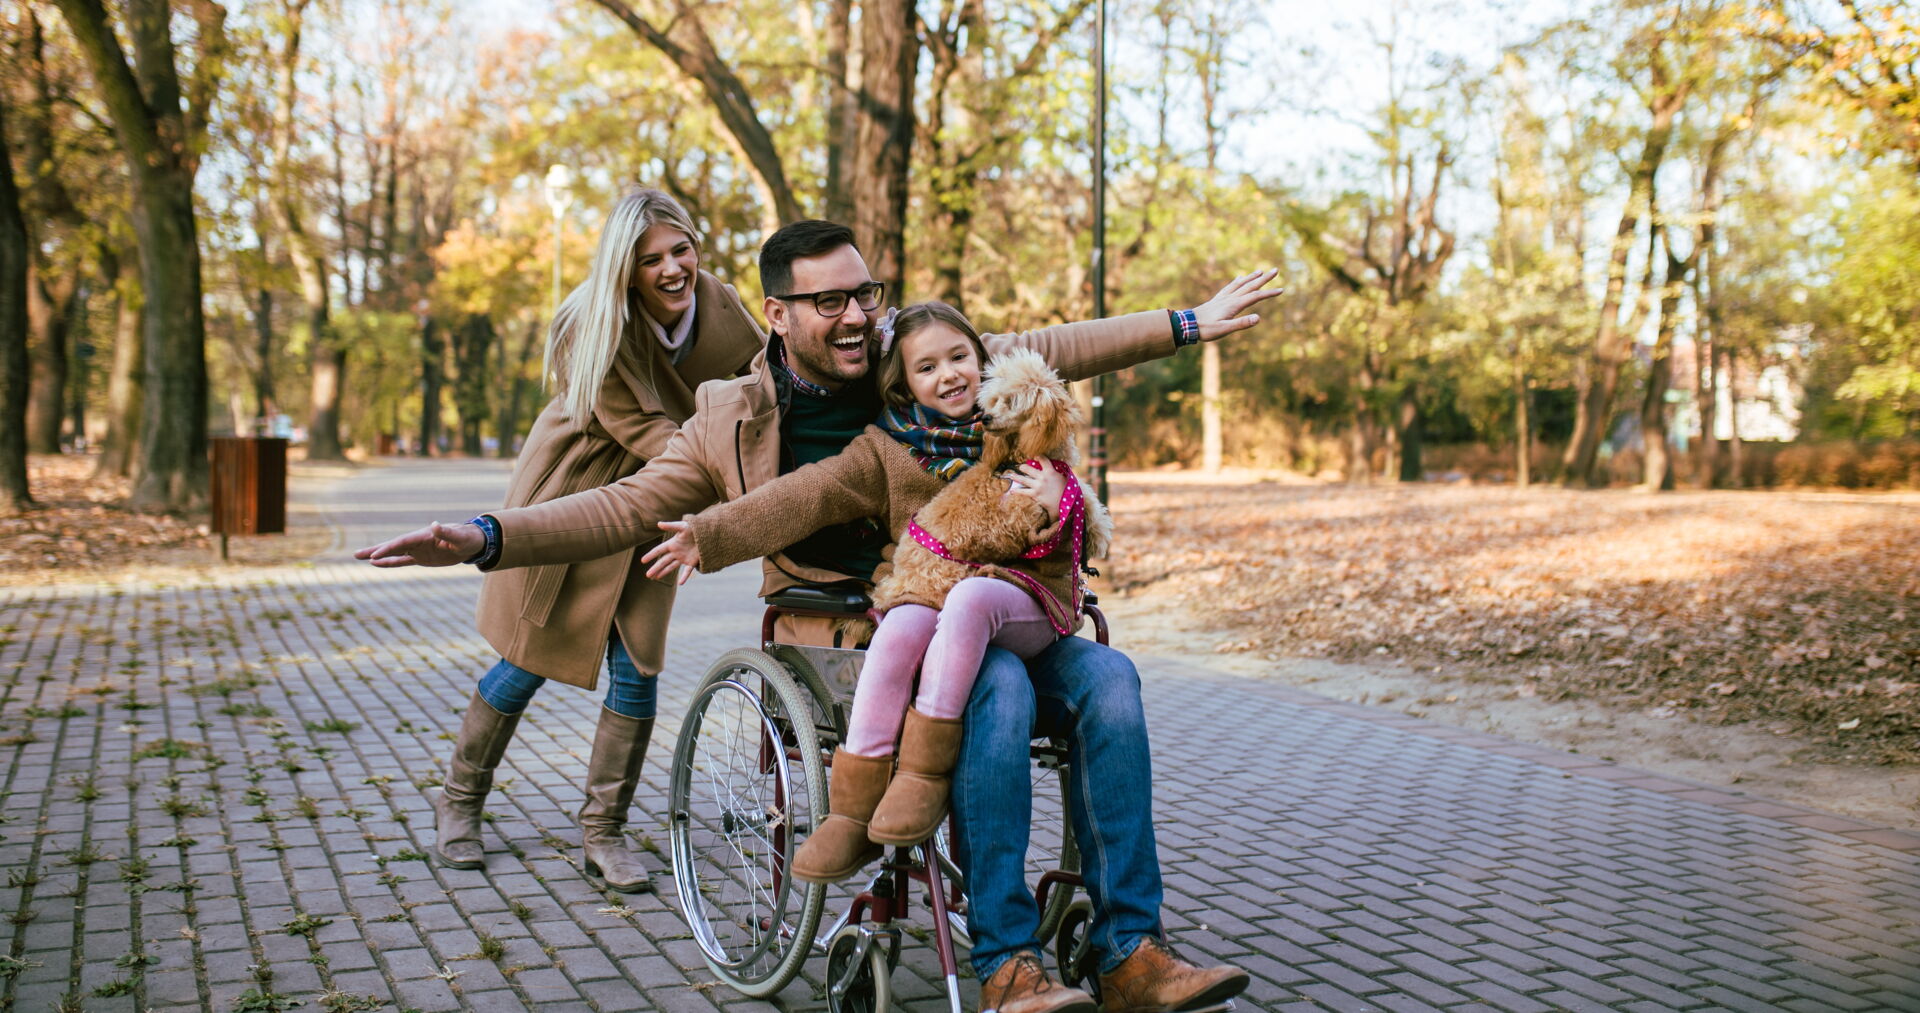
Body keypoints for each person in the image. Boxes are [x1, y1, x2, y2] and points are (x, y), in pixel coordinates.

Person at [357, 219, 1278, 1013]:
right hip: (840, 629)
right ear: (777, 314)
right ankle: (1005, 962)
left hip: (994, 600)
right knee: (992, 687)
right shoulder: (731, 411)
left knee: (1110, 676)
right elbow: (631, 506)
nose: (856, 316)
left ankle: (1129, 951)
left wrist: (1189, 323)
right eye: (829, 301)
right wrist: (485, 535)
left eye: (864, 294)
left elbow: (1055, 346)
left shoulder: (917, 356)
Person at [639, 301, 1100, 886]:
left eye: (960, 357)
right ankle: (853, 811)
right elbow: (807, 493)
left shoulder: (1015, 421)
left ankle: (924, 781)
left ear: (983, 360)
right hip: (936, 609)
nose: (950, 375)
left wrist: (1063, 492)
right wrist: (710, 534)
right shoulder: (885, 448)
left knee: (1001, 626)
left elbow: (1085, 510)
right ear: (904, 385)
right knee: (898, 625)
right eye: (927, 368)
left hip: (1022, 597)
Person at [430, 187, 764, 893]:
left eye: (681, 249)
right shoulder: (593, 322)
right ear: (625, 268)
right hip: (583, 491)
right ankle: (459, 802)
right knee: (529, 656)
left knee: (637, 663)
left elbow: (764, 381)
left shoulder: (723, 303)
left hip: (661, 496)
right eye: (651, 260)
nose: (673, 269)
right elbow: (643, 433)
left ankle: (602, 831)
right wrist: (727, 475)